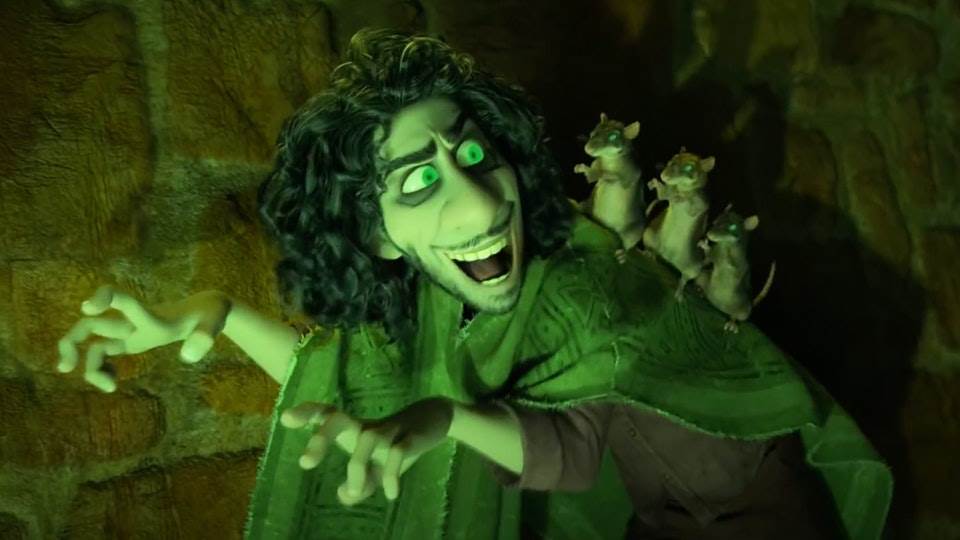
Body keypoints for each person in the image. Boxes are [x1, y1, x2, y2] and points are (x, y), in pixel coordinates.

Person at [56, 29, 892, 539]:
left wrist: (445, 417)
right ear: (377, 234)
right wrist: (221, 315)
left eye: (473, 154)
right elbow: (343, 387)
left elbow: (568, 453)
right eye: (419, 181)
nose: (483, 201)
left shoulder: (581, 279)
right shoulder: (444, 302)